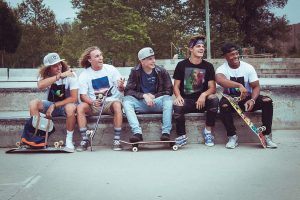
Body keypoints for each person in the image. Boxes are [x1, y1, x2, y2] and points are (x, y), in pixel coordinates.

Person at [215, 43, 277, 149]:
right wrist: (239, 85)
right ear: (225, 56)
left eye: (236, 53)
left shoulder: (248, 67)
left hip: (247, 99)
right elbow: (221, 81)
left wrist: (252, 100)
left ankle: (267, 136)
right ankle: (232, 137)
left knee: (267, 101)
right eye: (231, 54)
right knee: (224, 106)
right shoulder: (221, 69)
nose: (235, 56)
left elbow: (256, 87)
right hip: (231, 100)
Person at [173, 35, 219, 146]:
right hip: (187, 101)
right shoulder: (181, 65)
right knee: (177, 106)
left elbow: (212, 88)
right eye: (198, 46)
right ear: (191, 49)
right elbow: (176, 86)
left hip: (202, 102)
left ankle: (208, 132)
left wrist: (204, 94)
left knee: (214, 99)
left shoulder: (208, 66)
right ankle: (182, 135)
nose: (201, 48)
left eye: (203, 46)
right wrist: (178, 96)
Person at [77, 46, 125, 151]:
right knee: (80, 107)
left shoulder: (111, 69)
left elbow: (120, 88)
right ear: (90, 60)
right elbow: (83, 96)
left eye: (101, 55)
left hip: (110, 103)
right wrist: (92, 102)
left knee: (117, 105)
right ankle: (85, 139)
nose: (101, 58)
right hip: (94, 105)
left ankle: (117, 140)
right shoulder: (84, 74)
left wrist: (121, 86)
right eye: (97, 56)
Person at [29, 52, 78, 150]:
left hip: (67, 106)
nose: (59, 67)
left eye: (59, 64)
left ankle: (69, 140)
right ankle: (38, 137)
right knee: (33, 103)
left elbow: (73, 98)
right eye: (55, 66)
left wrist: (54, 105)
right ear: (48, 68)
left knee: (70, 107)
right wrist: (58, 76)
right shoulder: (46, 76)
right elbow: (40, 85)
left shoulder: (70, 74)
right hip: (51, 106)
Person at [123, 47, 173, 142]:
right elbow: (128, 91)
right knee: (126, 100)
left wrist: (154, 96)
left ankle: (166, 132)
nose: (153, 61)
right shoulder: (135, 71)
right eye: (150, 59)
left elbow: (169, 90)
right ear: (142, 61)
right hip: (141, 103)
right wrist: (144, 96)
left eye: (154, 58)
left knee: (168, 99)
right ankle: (137, 133)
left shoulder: (161, 71)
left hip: (156, 103)